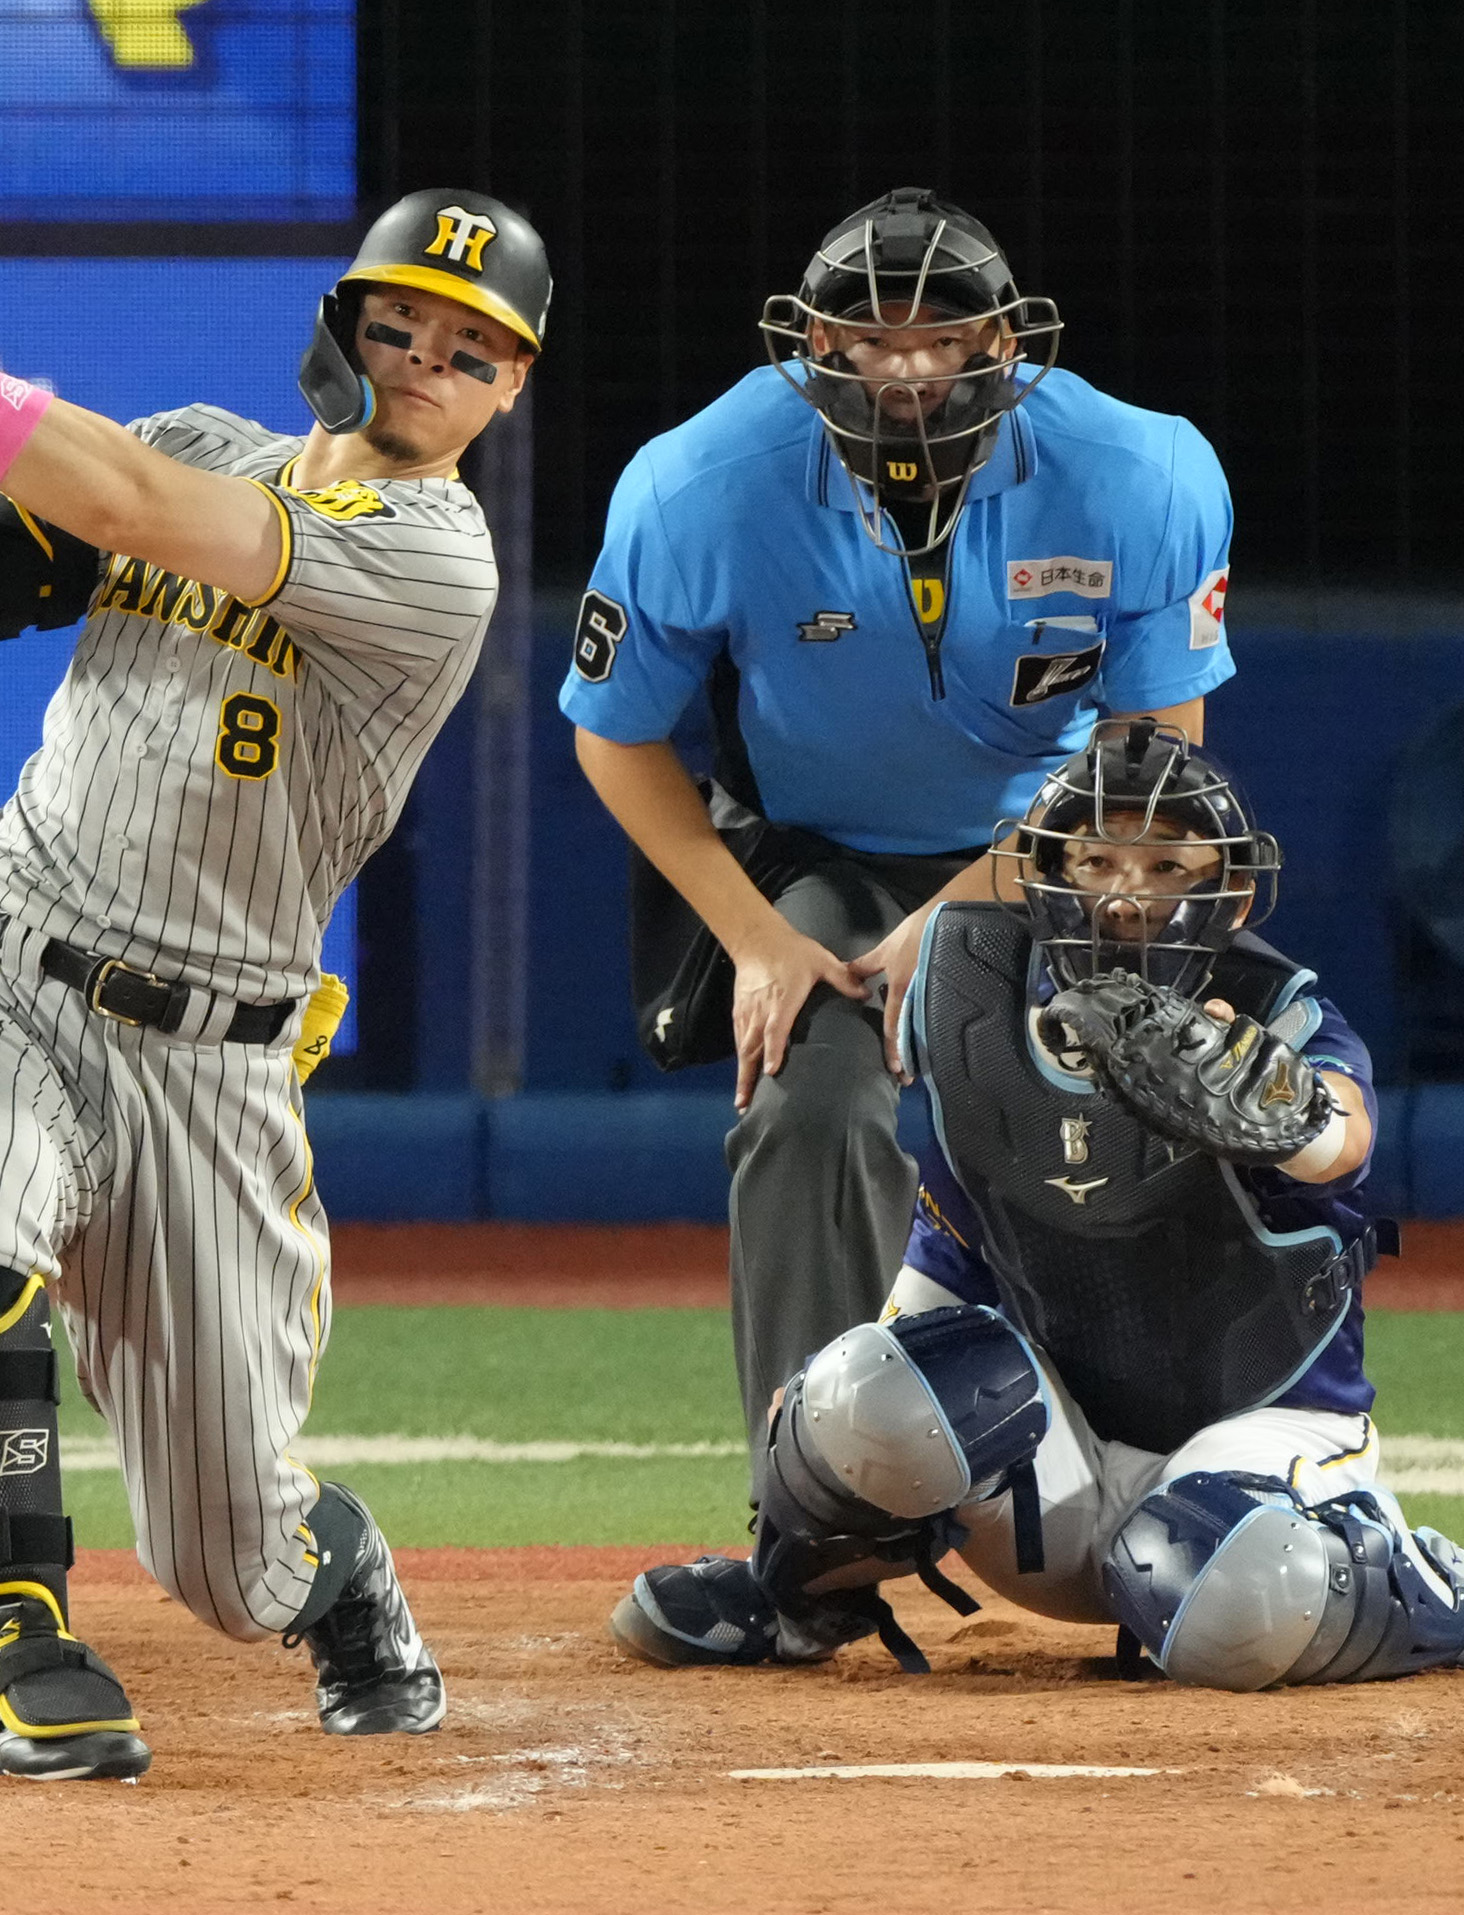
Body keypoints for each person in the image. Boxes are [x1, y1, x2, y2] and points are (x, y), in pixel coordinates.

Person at [0, 187, 549, 1781]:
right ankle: (18, 1640)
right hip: (2, 960)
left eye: (474, 348)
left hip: (211, 1064)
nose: (428, 362)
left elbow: (162, 520)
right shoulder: (201, 441)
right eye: (400, 323)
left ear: (510, 389)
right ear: (341, 322)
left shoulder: (438, 561)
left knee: (235, 1566)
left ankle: (339, 1566)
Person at [558, 187, 1236, 1476]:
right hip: (820, 856)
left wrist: (972, 904)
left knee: (1149, 1111)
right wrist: (756, 943)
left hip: (1064, 851)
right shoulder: (696, 485)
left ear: (1004, 340)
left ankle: (1173, 1482)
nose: (908, 366)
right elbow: (613, 733)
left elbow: (1152, 757)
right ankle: (815, 1504)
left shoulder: (1143, 472)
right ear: (812, 343)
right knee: (806, 1100)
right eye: (868, 337)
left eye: (943, 333)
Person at [609, 722, 1464, 1689]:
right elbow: (959, 1230)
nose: (1128, 892)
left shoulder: (1278, 1013)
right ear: (1043, 871)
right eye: (1096, 859)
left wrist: (1269, 1101)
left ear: (1227, 883)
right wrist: (844, 1434)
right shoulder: (971, 992)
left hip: (1258, 1434)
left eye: (1166, 863)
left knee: (1238, 1594)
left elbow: (1343, 1142)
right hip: (1058, 1465)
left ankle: (1426, 1581)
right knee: (851, 1392)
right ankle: (797, 1602)